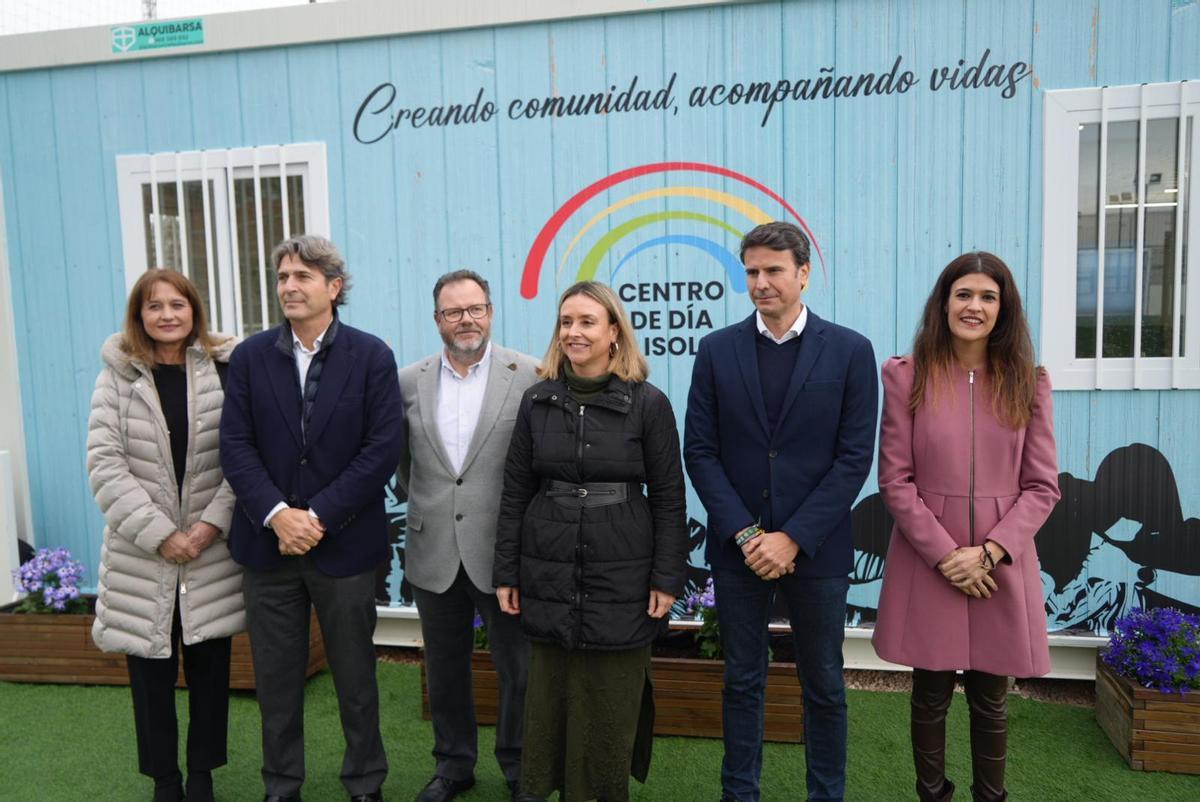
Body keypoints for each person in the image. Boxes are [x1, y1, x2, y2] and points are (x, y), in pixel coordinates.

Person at [684, 221, 878, 802]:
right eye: (751, 272)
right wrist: (747, 534)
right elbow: (701, 450)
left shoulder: (849, 350)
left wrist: (792, 537)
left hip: (816, 550)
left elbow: (853, 458)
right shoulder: (717, 351)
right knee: (743, 681)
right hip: (738, 548)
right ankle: (738, 794)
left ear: (803, 273)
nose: (761, 282)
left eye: (773, 270)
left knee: (823, 684)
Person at [220, 235, 405, 802]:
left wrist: (317, 515)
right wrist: (279, 516)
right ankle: (281, 785)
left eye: (302, 276)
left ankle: (365, 783)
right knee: (276, 683)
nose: (290, 286)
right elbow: (235, 445)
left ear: (333, 286)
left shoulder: (371, 356)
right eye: (282, 277)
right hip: (267, 548)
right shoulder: (251, 357)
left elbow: (382, 448)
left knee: (355, 679)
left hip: (344, 547)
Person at [872, 252, 1060, 802]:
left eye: (987, 297)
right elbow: (896, 480)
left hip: (1001, 562)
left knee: (991, 697)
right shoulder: (906, 375)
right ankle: (932, 794)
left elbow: (1042, 486)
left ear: (1004, 309)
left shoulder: (1030, 381)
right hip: (929, 557)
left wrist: (991, 551)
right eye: (963, 294)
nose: (973, 306)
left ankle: (989, 796)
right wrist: (947, 554)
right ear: (944, 301)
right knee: (929, 693)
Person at [493, 280, 689, 802]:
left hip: (622, 566)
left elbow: (670, 496)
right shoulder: (537, 401)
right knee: (550, 695)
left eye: (587, 322)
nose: (574, 332)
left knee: (610, 698)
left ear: (614, 333)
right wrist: (506, 573)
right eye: (566, 322)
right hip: (548, 564)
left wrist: (667, 578)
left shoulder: (649, 404)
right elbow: (516, 491)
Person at [87, 269, 243, 802]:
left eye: (178, 304)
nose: (168, 315)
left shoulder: (223, 370)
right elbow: (105, 466)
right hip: (142, 554)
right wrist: (161, 535)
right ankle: (165, 781)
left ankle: (201, 776)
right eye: (155, 307)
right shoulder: (118, 376)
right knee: (150, 678)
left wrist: (207, 527)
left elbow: (240, 459)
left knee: (209, 672)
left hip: (209, 552)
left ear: (195, 311)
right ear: (140, 316)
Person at [398, 269, 538, 802]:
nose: (466, 320)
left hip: (504, 552)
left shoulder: (527, 373)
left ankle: (520, 765)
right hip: (433, 546)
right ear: (437, 320)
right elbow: (406, 467)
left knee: (518, 668)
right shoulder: (409, 380)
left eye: (475, 308)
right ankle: (453, 765)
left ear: (491, 311)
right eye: (454, 312)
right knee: (445, 668)